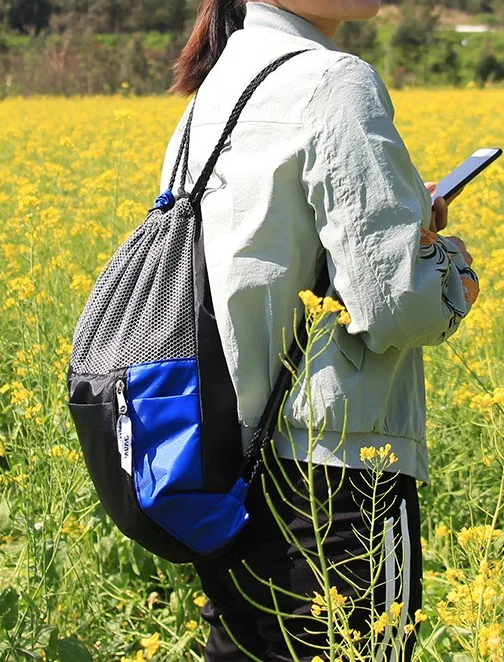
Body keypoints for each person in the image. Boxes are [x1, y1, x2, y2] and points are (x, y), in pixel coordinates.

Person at [159, 1, 480, 660]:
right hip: (337, 477)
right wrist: (452, 266)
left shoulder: (218, 86)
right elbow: (396, 304)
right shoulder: (334, 81)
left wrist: (399, 220)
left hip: (227, 466)